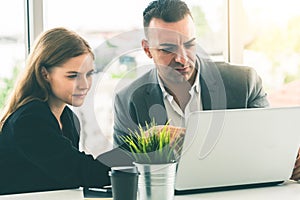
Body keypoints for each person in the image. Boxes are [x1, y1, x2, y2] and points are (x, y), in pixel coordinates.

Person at [113, 0, 300, 181]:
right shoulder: (129, 99)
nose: (182, 59)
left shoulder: (244, 83)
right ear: (147, 50)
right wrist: (146, 141)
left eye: (189, 44)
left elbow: (269, 148)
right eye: (168, 49)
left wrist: (289, 162)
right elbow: (122, 173)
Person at [0, 27, 132, 195]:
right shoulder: (30, 120)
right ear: (45, 74)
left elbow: (71, 178)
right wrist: (144, 146)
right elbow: (85, 173)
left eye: (89, 74)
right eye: (72, 76)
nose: (84, 84)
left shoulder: (68, 117)